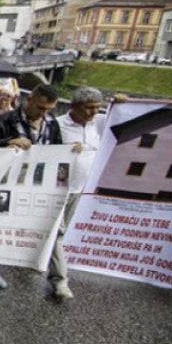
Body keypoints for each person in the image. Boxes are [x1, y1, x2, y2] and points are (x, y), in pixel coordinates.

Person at [0, 84, 62, 301]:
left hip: (33, 188)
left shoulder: (51, 125)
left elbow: (57, 152)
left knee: (12, 232)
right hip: (5, 186)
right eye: (40, 107)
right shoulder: (4, 121)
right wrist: (7, 143)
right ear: (30, 99)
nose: (43, 114)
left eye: (49, 109)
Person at [54, 87, 108, 299]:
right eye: (88, 107)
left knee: (61, 233)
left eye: (97, 107)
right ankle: (60, 281)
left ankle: (42, 261)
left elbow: (125, 114)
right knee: (57, 233)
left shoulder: (99, 122)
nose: (93, 112)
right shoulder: (58, 124)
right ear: (74, 107)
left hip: (81, 190)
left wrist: (122, 101)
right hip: (59, 189)